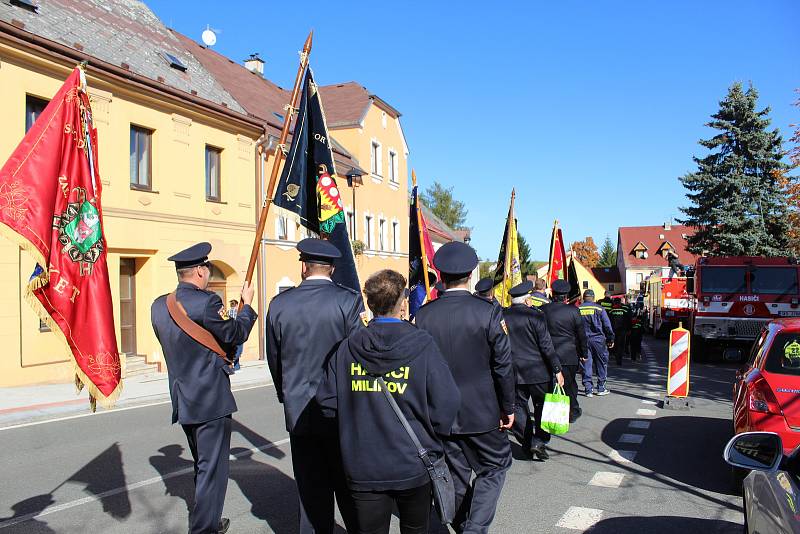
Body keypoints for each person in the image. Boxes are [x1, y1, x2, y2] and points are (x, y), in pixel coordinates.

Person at [317, 269, 460, 534]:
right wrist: (434, 434)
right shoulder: (423, 343)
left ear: (369, 304)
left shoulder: (345, 348)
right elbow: (447, 402)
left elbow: (327, 403)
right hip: (413, 459)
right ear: (403, 302)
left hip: (362, 464)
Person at [151, 242, 258, 534]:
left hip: (184, 399)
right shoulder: (208, 302)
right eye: (207, 269)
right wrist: (245, 306)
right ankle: (203, 530)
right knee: (213, 470)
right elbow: (235, 333)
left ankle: (208, 519)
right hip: (210, 399)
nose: (208, 273)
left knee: (203, 465)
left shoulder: (159, 306)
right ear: (199, 270)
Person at [415, 241, 515, 534]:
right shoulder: (488, 311)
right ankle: (474, 528)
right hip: (483, 410)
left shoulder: (424, 315)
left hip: (440, 412)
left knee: (456, 476)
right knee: (494, 468)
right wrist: (508, 407)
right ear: (471, 275)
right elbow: (503, 365)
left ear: (440, 276)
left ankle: (459, 524)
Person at [266, 238, 363, 534]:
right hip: (340, 409)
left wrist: (286, 393)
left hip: (299, 408)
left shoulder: (280, 303)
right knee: (348, 485)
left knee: (310, 489)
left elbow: (275, 358)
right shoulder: (348, 301)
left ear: (304, 267)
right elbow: (357, 355)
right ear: (332, 269)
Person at [503, 280, 564, 460]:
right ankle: (537, 441)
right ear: (527, 300)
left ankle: (528, 441)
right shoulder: (536, 316)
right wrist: (557, 370)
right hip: (538, 371)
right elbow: (546, 346)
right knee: (543, 408)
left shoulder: (501, 315)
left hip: (512, 372)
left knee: (518, 408)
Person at [542, 279, 589, 423]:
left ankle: (552, 410)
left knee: (550, 384)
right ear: (566, 296)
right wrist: (584, 353)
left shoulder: (544, 310)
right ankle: (572, 411)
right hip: (569, 354)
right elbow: (581, 334)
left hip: (548, 354)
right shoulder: (574, 311)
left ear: (553, 293)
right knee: (569, 384)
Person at [578, 289, 614, 397]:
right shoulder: (599, 309)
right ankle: (601, 387)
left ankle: (588, 389)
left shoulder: (578, 309)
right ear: (593, 298)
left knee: (586, 364)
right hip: (598, 340)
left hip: (583, 340)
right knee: (601, 363)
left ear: (583, 298)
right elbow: (607, 325)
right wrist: (610, 338)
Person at [608, 298, 630, 366]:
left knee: (615, 344)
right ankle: (619, 359)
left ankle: (616, 356)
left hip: (613, 330)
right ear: (620, 303)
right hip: (622, 331)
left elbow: (608, 321)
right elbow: (628, 320)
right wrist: (628, 329)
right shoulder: (624, 310)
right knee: (621, 345)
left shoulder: (611, 311)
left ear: (614, 302)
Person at [227, 300, 243, 371]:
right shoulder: (237, 312)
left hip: (230, 333)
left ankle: (237, 366)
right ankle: (230, 362)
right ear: (236, 305)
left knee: (234, 349)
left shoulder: (228, 312)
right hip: (237, 333)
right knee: (239, 350)